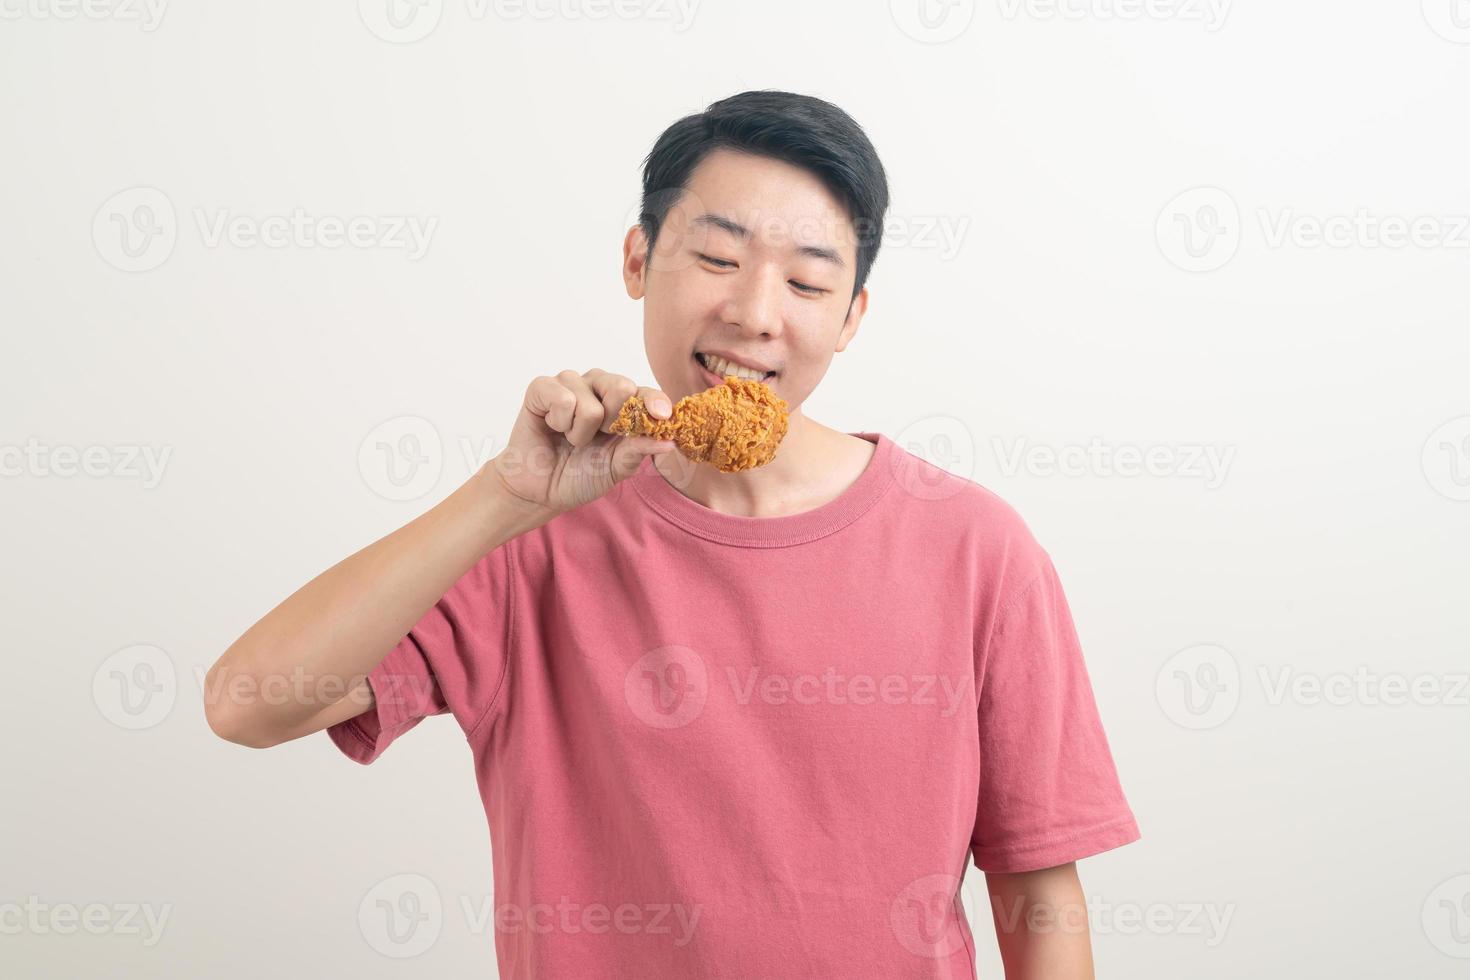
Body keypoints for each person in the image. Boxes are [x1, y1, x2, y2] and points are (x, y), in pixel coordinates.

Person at [205, 89, 1140, 979]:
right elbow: (247, 705)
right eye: (719, 260)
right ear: (637, 261)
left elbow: (1040, 892)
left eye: (809, 282)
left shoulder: (975, 550)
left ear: (852, 317)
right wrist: (505, 499)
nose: (754, 314)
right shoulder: (534, 539)